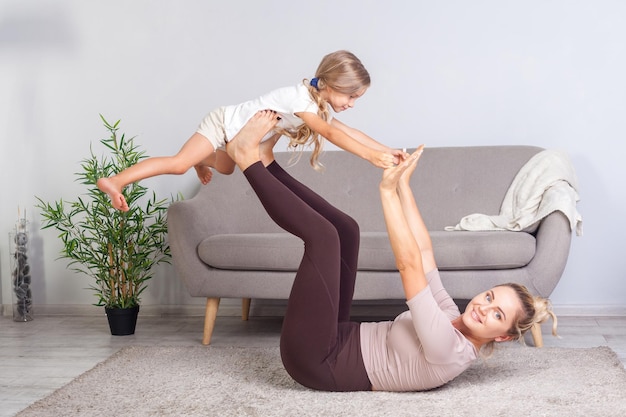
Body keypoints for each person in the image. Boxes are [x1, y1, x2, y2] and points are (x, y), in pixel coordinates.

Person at [226, 109, 558, 392]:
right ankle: (267, 163)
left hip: (317, 361)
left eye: (497, 315)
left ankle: (246, 159)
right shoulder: (452, 318)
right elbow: (425, 254)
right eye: (489, 297)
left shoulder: (450, 349)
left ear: (502, 338)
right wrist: (403, 187)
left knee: (323, 238)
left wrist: (386, 194)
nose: (484, 309)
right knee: (347, 231)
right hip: (337, 334)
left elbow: (409, 264)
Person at [97, 50, 402, 211]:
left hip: (235, 140)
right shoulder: (300, 99)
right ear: (333, 85)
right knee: (178, 165)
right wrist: (370, 158)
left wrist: (385, 151)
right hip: (221, 124)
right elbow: (334, 135)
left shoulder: (315, 103)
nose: (351, 104)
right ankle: (114, 181)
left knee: (227, 168)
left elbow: (350, 131)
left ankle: (203, 159)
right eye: (350, 96)